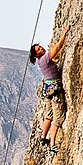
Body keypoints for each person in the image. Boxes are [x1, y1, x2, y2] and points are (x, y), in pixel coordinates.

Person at [29, 24, 70, 155]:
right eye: (39, 49)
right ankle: (52, 143)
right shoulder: (45, 58)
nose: (41, 48)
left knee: (49, 114)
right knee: (58, 117)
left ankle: (43, 136)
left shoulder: (42, 62)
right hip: (55, 90)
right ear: (37, 54)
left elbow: (53, 60)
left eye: (40, 47)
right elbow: (58, 47)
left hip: (48, 90)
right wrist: (64, 33)